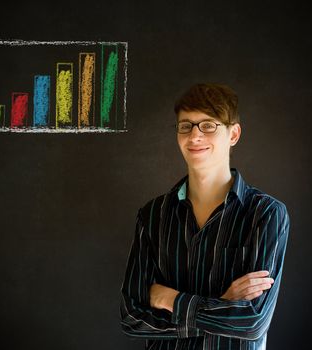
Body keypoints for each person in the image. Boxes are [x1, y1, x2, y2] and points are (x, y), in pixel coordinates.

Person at [119, 83, 290, 349]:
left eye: (208, 125)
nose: (194, 136)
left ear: (233, 134)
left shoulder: (266, 214)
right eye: (185, 125)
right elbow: (132, 319)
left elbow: (253, 322)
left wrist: (170, 300)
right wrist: (223, 303)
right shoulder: (151, 216)